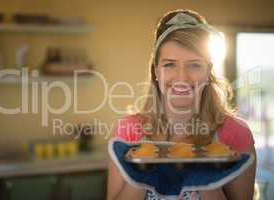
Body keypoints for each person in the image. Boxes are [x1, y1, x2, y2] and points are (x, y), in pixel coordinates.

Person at [107, 9, 256, 200]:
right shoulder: (127, 133)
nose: (181, 77)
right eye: (169, 64)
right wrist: (142, 173)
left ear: (208, 71)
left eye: (194, 65)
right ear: (155, 71)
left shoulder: (236, 134)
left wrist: (205, 177)